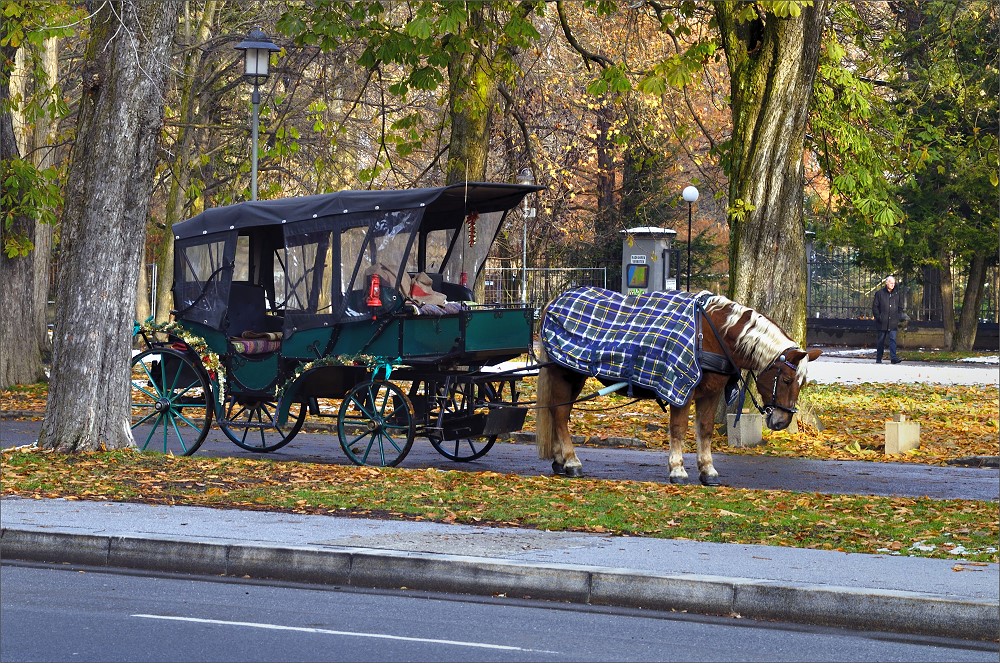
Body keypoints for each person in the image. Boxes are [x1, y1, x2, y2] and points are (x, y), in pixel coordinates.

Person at [871, 275, 903, 364]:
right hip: (882, 322)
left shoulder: (897, 294)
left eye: (894, 283)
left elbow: (900, 307)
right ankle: (878, 358)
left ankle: (893, 358)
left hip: (893, 321)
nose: (893, 285)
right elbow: (875, 307)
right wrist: (878, 317)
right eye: (891, 283)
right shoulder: (879, 293)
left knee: (893, 340)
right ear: (887, 283)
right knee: (881, 340)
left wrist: (898, 317)